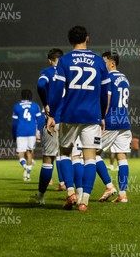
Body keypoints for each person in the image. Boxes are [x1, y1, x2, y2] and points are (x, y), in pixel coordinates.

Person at [46, 25, 110, 211]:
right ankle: (85, 201)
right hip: (92, 116)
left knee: (65, 153)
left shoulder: (64, 61)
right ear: (87, 38)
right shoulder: (99, 61)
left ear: (70, 41)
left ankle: (71, 193)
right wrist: (103, 114)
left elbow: (57, 91)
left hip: (69, 114)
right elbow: (106, 91)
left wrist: (51, 115)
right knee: (90, 158)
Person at [95, 52, 132, 203]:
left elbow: (107, 99)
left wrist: (101, 118)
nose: (101, 66)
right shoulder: (125, 79)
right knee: (121, 157)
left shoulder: (108, 78)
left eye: (104, 62)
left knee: (92, 153)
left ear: (112, 63)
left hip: (111, 121)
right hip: (124, 121)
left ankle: (109, 186)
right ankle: (122, 194)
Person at [31, 48, 65, 205]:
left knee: (48, 159)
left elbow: (40, 85)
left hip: (54, 119)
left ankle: (41, 196)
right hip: (71, 121)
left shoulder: (48, 71)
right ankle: (77, 195)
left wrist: (45, 104)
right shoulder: (69, 71)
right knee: (73, 158)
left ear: (50, 60)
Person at [12, 89, 44, 181]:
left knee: (21, 154)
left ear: (21, 96)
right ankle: (28, 174)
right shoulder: (35, 106)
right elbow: (39, 121)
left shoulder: (17, 106)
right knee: (30, 154)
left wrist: (14, 135)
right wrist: (39, 132)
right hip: (31, 132)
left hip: (20, 132)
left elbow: (14, 123)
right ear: (31, 96)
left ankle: (25, 166)